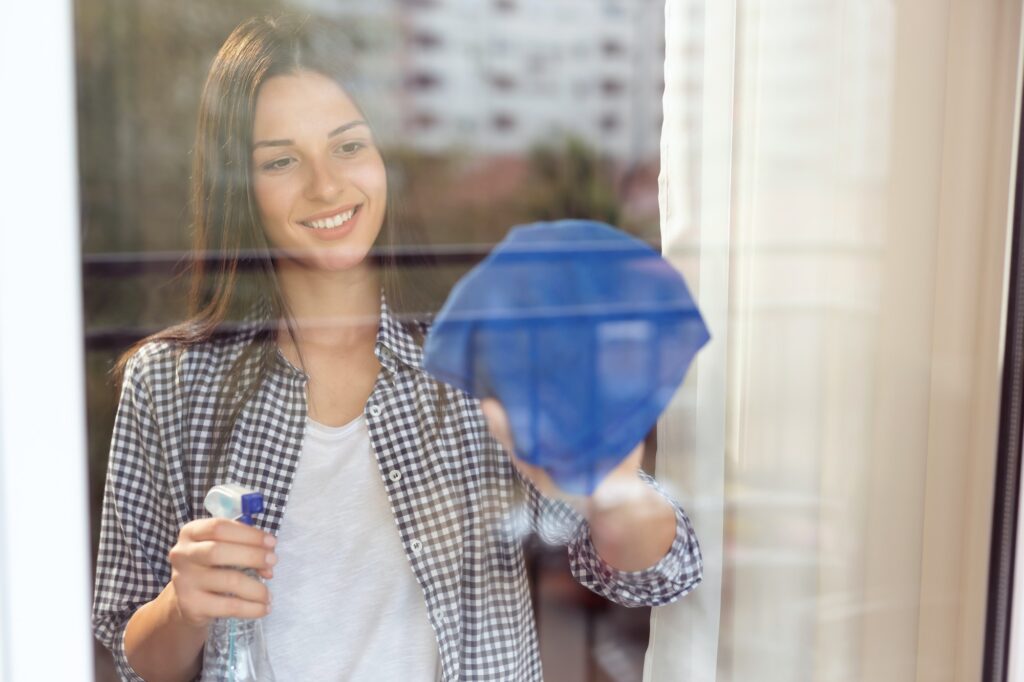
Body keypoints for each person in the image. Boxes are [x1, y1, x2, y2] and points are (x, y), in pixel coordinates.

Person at [91, 14, 702, 682]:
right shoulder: (171, 382)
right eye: (281, 160)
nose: (326, 186)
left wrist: (612, 493)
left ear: (384, 155)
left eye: (349, 146)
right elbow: (131, 657)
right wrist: (184, 607)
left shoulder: (479, 361)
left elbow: (660, 576)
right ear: (237, 184)